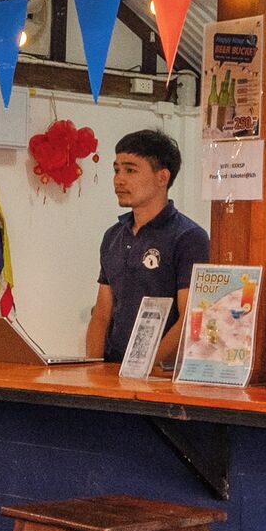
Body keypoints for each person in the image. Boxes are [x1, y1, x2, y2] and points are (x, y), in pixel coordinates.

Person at [89, 129, 206, 369]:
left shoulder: (189, 237)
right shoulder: (112, 236)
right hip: (111, 370)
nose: (119, 179)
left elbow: (190, 317)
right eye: (116, 170)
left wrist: (146, 367)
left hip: (159, 377)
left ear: (162, 177)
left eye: (130, 170)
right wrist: (91, 369)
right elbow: (101, 313)